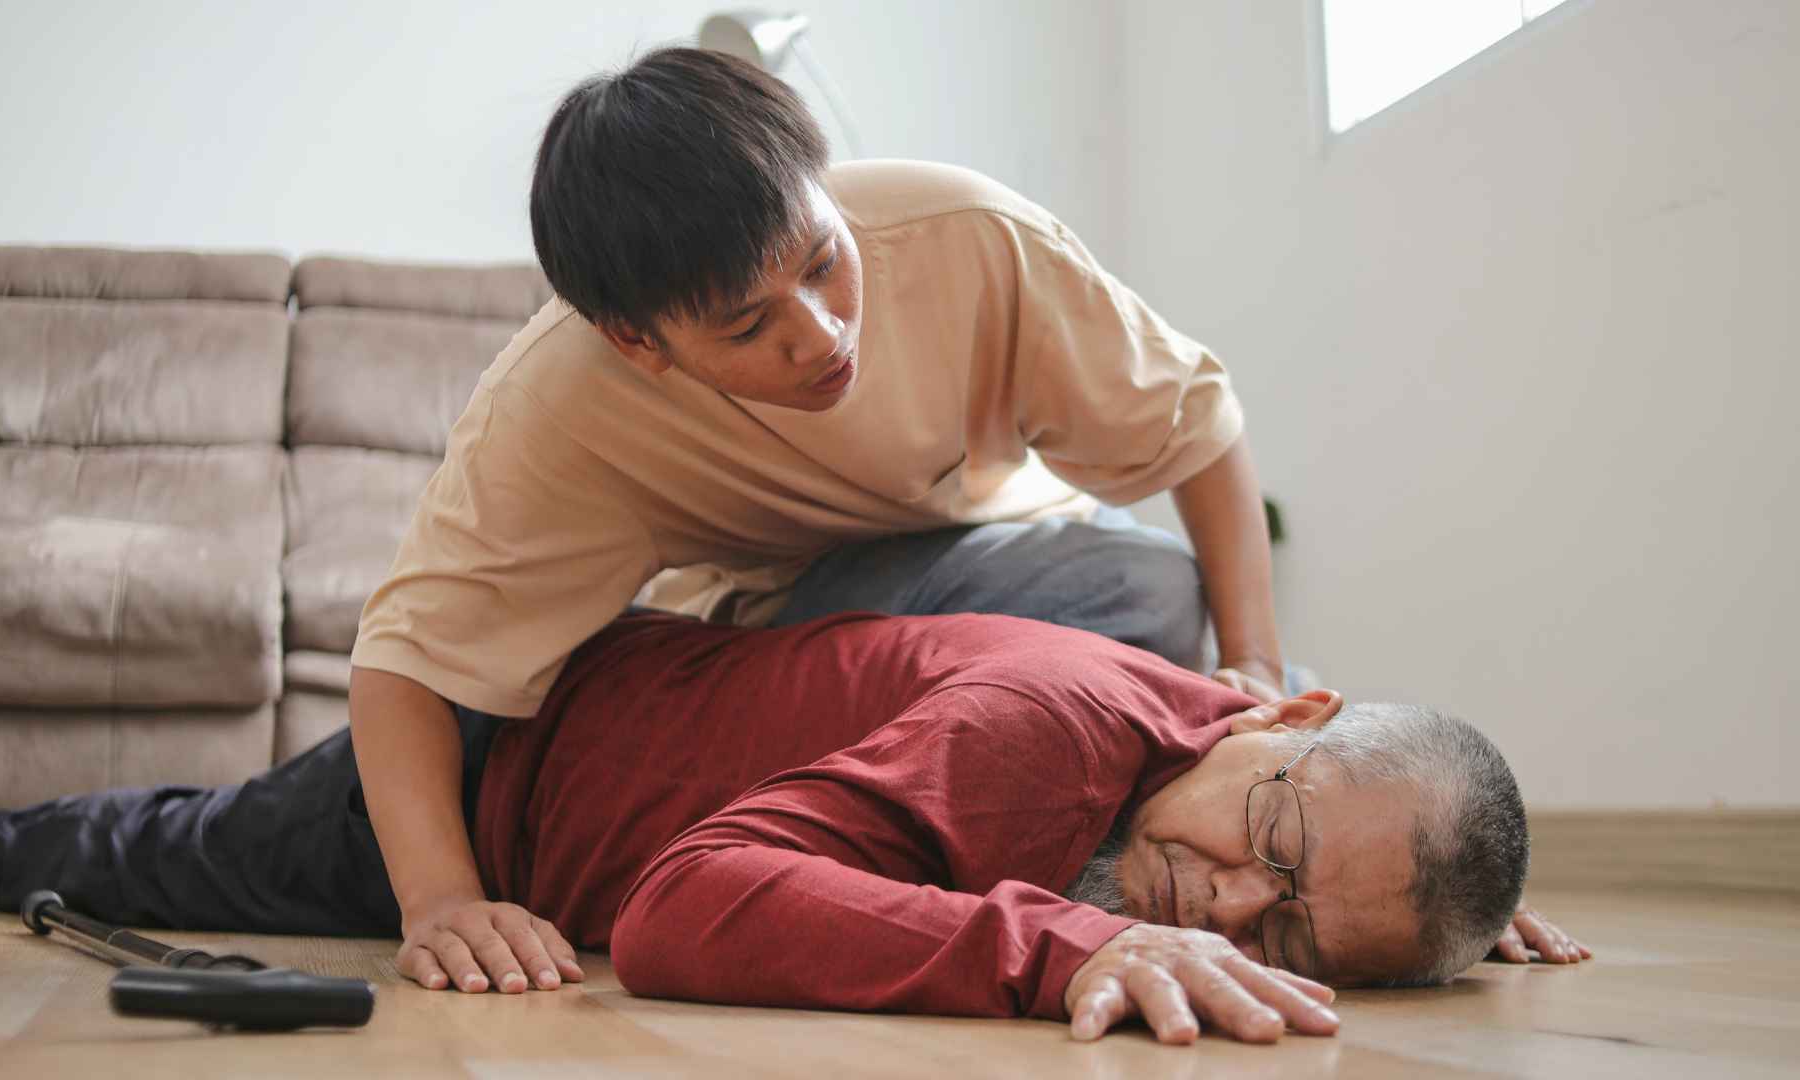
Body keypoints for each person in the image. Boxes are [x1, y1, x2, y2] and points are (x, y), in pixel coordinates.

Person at [349, 44, 1296, 1002]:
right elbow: (405, 662)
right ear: (639, 343)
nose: (821, 333)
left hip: (1020, 578)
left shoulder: (968, 232)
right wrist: (437, 899)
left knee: (1145, 592)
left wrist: (1254, 664)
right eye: (748, 326)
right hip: (784, 633)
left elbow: (1194, 422)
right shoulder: (552, 401)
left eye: (823, 263)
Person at [0, 612, 1584, 1045]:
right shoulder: (1048, 729)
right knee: (146, 852)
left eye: (1280, 928)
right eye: (1266, 839)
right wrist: (1067, 939)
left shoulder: (1299, 798)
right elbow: (686, 910)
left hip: (611, 730)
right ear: (1281, 704)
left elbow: (1344, 852)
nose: (1222, 899)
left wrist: (1412, 905)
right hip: (501, 776)